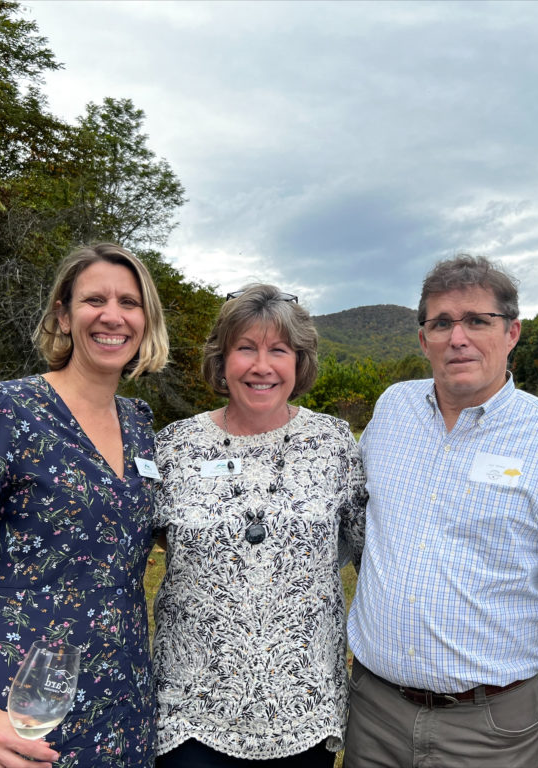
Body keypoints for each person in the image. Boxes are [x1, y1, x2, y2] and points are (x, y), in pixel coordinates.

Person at [344, 255, 538, 768]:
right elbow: (356, 520)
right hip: (373, 714)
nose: (458, 337)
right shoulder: (393, 409)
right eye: (441, 323)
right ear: (423, 339)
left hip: (488, 730)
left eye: (478, 320)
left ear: (512, 333)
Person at [0, 243, 170, 768]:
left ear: (147, 320)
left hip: (122, 695)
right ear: (63, 315)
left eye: (130, 302)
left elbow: (143, 529)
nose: (113, 315)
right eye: (94, 299)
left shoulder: (140, 423)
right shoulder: (5, 408)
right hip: (17, 696)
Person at [151, 284, 366, 767]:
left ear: (299, 362)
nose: (261, 366)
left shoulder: (333, 442)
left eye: (278, 350)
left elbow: (372, 545)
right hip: (191, 710)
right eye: (245, 348)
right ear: (222, 360)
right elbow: (119, 535)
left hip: (303, 707)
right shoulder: (173, 447)